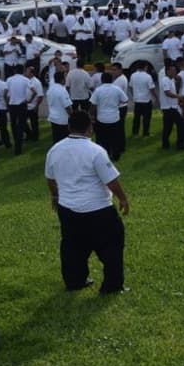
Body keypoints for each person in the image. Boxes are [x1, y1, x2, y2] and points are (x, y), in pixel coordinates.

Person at [44, 112, 130, 294]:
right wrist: (122, 198)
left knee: (72, 247)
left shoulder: (54, 150)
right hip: (98, 209)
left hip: (67, 208)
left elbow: (50, 178)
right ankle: (112, 286)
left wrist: (55, 196)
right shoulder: (96, 151)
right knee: (112, 246)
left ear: (69, 127)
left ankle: (75, 280)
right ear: (90, 128)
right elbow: (111, 180)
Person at [158, 62, 184, 150]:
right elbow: (167, 93)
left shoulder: (171, 80)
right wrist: (179, 96)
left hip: (172, 107)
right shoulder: (165, 80)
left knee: (168, 127)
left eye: (175, 70)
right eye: (173, 70)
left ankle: (166, 145)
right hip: (169, 108)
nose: (175, 72)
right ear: (168, 71)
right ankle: (179, 145)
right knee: (179, 125)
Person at [128, 61, 156, 138]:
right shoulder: (148, 76)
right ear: (145, 67)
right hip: (146, 100)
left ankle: (135, 133)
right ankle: (145, 133)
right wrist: (156, 97)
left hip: (137, 100)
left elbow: (130, 86)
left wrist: (134, 94)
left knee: (136, 117)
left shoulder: (133, 75)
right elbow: (152, 89)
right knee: (146, 118)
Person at [46, 70, 73, 144]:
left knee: (56, 139)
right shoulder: (62, 90)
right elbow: (68, 107)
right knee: (64, 141)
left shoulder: (50, 90)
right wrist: (72, 116)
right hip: (62, 120)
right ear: (62, 80)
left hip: (53, 118)